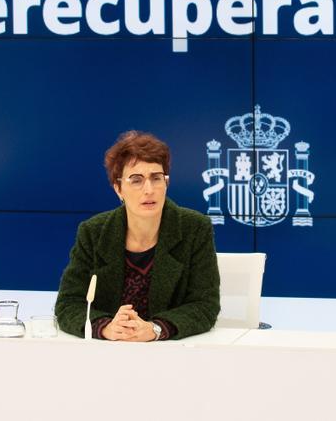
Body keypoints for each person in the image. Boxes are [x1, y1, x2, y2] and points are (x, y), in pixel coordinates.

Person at [55, 131, 220, 340]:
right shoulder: (93, 232)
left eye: (156, 178)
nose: (149, 189)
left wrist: (156, 329)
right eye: (136, 180)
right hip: (109, 354)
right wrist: (105, 327)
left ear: (166, 183)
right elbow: (68, 303)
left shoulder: (194, 228)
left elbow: (205, 305)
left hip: (170, 355)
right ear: (118, 189)